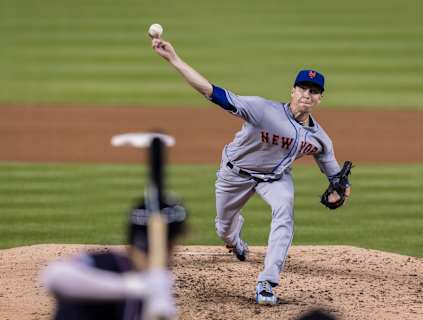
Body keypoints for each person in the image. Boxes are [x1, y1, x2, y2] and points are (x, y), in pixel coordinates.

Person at [150, 37, 351, 305]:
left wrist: (343, 190)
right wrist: (174, 59)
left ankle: (267, 282)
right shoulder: (261, 110)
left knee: (285, 210)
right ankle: (235, 241)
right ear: (292, 90)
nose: (307, 94)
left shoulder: (320, 139)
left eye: (313, 91)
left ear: (320, 98)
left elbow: (336, 177)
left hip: (276, 179)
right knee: (223, 228)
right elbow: (211, 92)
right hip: (235, 174)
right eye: (303, 88)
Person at [41, 197, 187, 320]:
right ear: (168, 244)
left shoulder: (157, 284)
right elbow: (55, 276)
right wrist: (136, 287)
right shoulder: (110, 264)